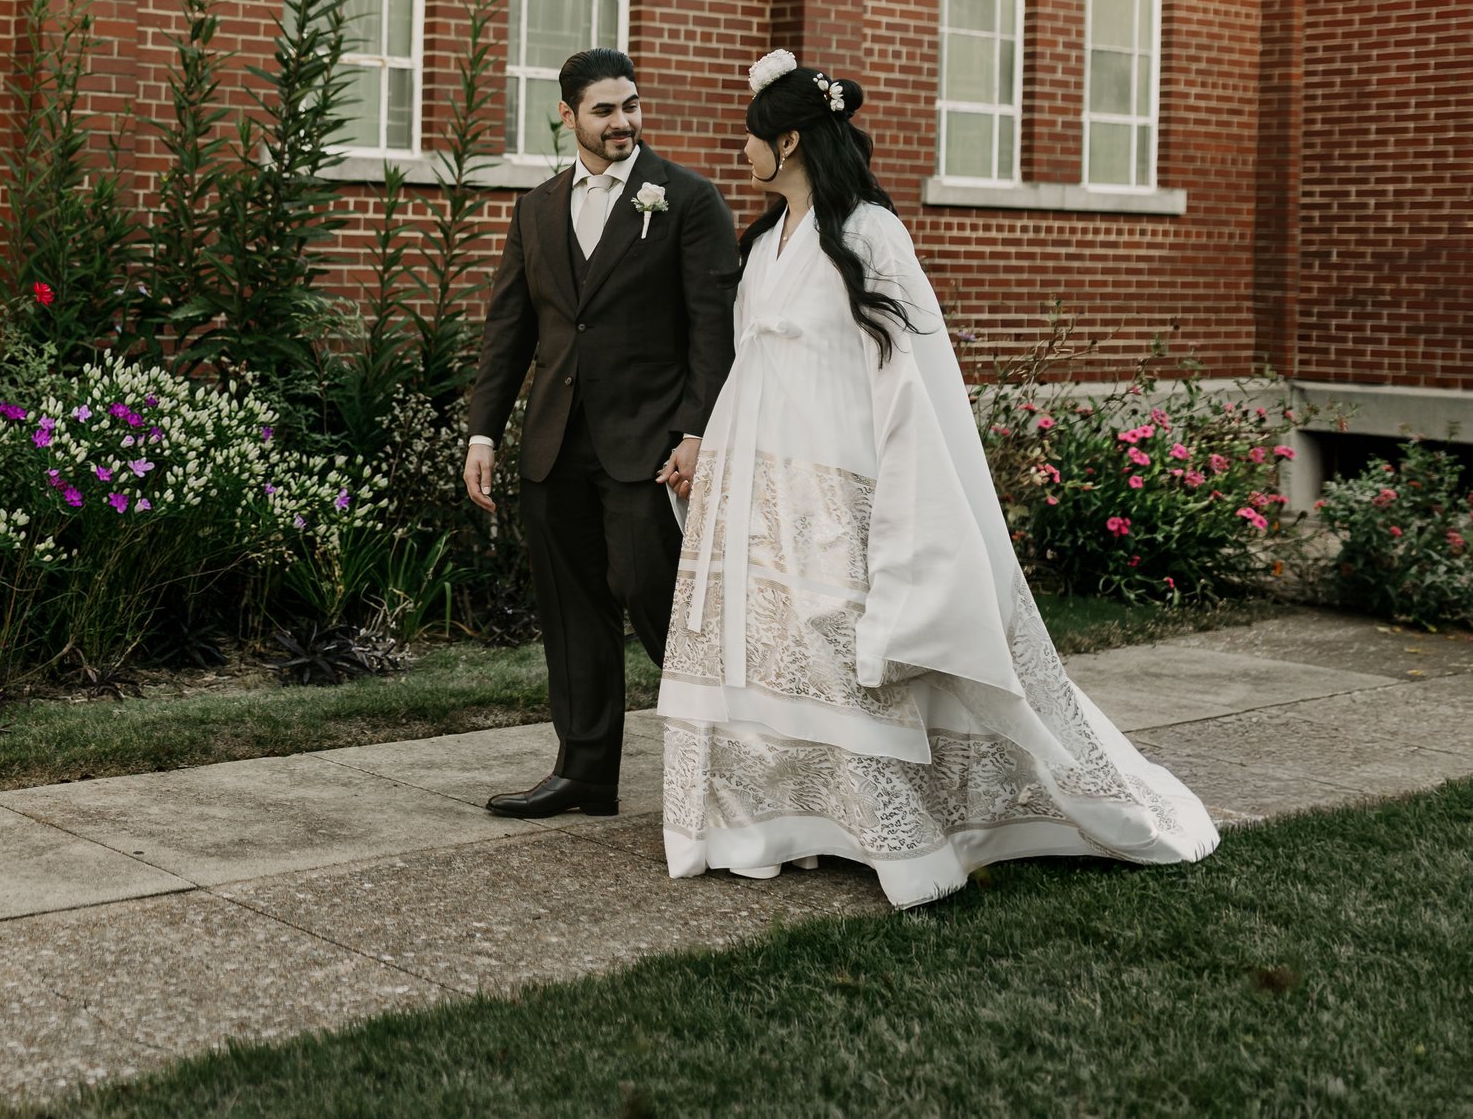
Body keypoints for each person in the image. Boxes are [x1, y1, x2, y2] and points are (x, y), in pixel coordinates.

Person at [659, 50, 1218, 907]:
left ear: (793, 141)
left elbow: (912, 377)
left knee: (845, 657)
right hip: (756, 491)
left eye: (754, 138)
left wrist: (906, 498)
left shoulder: (872, 237)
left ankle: (902, 837)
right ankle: (770, 824)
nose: (744, 152)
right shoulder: (764, 240)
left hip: (840, 491)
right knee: (763, 655)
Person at [464, 47, 740, 819]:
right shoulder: (537, 208)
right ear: (568, 115)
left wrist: (695, 431)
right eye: (604, 110)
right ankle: (584, 771)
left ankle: (739, 755)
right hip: (556, 443)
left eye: (631, 105)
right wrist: (483, 432)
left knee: (656, 595)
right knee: (571, 606)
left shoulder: (687, 199)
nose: (623, 122)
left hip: (648, 446)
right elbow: (509, 330)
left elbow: (712, 331)